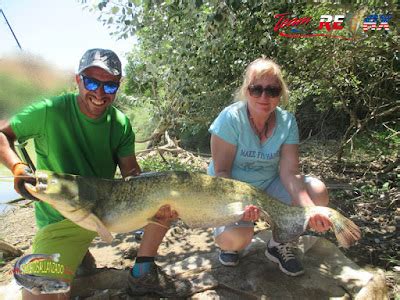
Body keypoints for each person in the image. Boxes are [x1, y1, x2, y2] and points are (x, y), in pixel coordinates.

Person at [0, 48, 186, 299]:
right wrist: (17, 167)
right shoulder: (48, 110)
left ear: (117, 87)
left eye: (109, 86)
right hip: (62, 221)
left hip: (111, 211)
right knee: (38, 293)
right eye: (91, 82)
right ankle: (78, 259)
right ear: (78, 80)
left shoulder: (120, 123)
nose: (99, 93)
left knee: (164, 200)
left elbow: (132, 174)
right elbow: (3, 134)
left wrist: (156, 199)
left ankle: (142, 271)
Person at [207, 58, 332, 276]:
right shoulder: (230, 118)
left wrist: (309, 210)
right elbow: (221, 173)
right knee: (235, 240)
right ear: (247, 91)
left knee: (317, 193)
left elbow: (290, 173)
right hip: (232, 189)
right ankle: (230, 242)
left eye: (272, 90)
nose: (264, 97)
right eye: (257, 89)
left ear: (280, 93)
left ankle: (278, 244)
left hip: (269, 184)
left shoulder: (287, 122)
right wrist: (240, 205)